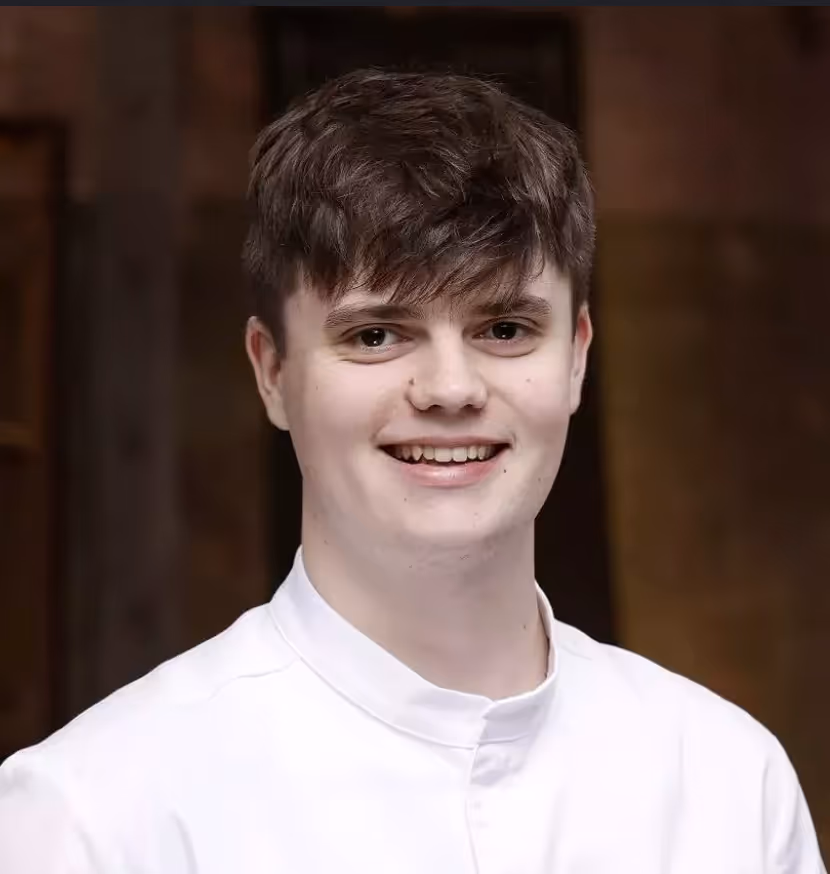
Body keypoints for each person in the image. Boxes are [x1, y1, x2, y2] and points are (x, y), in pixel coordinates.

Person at [0, 68, 825, 874]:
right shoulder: (94, 814)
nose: (451, 389)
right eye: (375, 335)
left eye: (503, 329)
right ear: (272, 372)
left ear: (577, 358)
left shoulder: (728, 784)